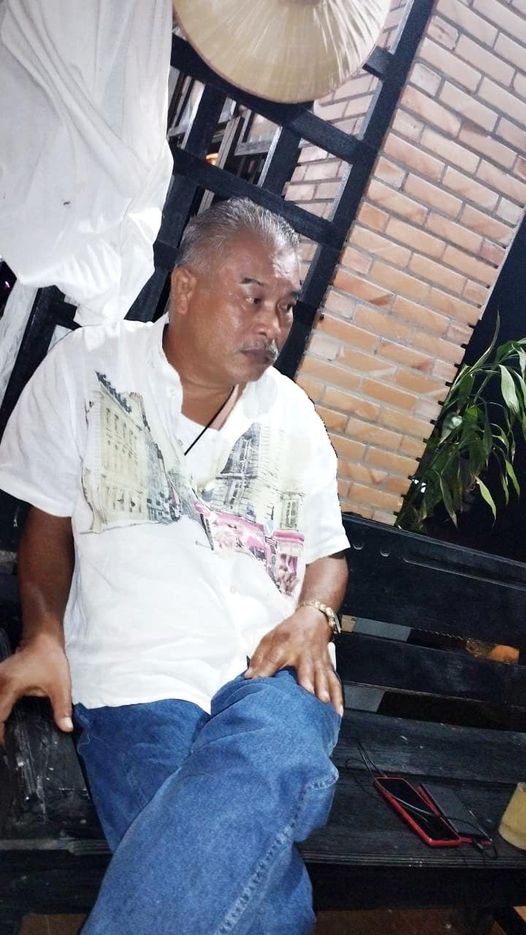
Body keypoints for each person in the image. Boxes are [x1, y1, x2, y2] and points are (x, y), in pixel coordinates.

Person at [0, 197, 349, 934]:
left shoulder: (293, 416)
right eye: (253, 297)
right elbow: (47, 525)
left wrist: (314, 616)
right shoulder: (89, 369)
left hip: (275, 679)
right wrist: (43, 635)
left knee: (264, 759)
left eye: (286, 306)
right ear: (185, 288)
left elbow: (328, 553)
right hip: (136, 681)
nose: (273, 325)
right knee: (246, 887)